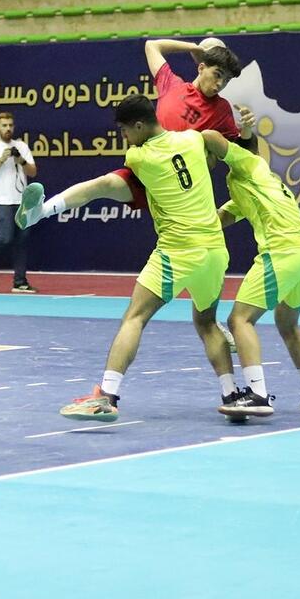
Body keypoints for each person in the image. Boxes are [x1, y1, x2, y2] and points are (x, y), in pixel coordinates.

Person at [58, 95, 240, 422]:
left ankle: (107, 397)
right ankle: (233, 395)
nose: (125, 138)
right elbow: (214, 149)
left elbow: (121, 183)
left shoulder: (138, 156)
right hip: (215, 251)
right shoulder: (193, 139)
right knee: (207, 323)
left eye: (125, 131)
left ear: (139, 125)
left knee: (135, 317)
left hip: (177, 250)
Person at [18, 38, 254, 228]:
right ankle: (39, 213)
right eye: (218, 75)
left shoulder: (221, 110)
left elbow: (243, 156)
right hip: (146, 172)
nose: (220, 84)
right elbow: (152, 46)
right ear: (201, 67)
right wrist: (194, 48)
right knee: (102, 184)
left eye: (226, 80)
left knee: (203, 236)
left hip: (178, 185)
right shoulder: (172, 84)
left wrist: (246, 130)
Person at [201, 133, 300, 418]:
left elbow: (211, 138)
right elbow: (227, 216)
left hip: (282, 251)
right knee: (288, 323)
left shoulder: (247, 163)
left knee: (239, 319)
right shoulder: (257, 180)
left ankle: (257, 394)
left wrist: (184, 140)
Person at [0, 112, 38, 293]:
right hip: (1, 200)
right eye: (4, 125)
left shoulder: (21, 146)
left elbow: (33, 172)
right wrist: (1, 159)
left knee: (22, 240)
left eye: (10, 125)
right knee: (5, 236)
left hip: (22, 200)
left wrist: (21, 160)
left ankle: (20, 281)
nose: (8, 128)